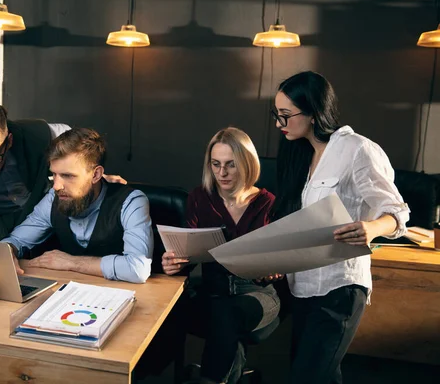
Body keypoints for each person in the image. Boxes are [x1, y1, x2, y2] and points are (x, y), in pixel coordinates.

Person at [271, 71, 410, 384]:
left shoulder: (358, 150)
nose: (279, 124)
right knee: (318, 375)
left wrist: (372, 228)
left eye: (286, 115)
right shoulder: (301, 155)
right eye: (276, 115)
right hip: (303, 286)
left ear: (313, 111)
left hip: (340, 288)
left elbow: (398, 213)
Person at [161, 127, 281, 384]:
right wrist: (173, 263)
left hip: (257, 295)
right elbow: (186, 253)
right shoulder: (199, 198)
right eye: (216, 164)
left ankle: (210, 379)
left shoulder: (268, 203)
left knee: (226, 315)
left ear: (247, 164)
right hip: (212, 293)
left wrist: (274, 268)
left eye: (230, 165)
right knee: (217, 316)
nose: (222, 173)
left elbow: (280, 262)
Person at [0, 102, 123, 242]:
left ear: (9, 141)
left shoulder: (41, 134)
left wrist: (89, 178)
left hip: (45, 226)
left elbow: (77, 151)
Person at [0, 127, 153, 284]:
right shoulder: (53, 197)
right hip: (70, 295)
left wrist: (71, 262)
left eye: (67, 176)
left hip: (123, 296)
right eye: (54, 174)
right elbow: (16, 240)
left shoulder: (131, 202)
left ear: (96, 175)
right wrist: (9, 250)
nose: (57, 186)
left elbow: (137, 268)